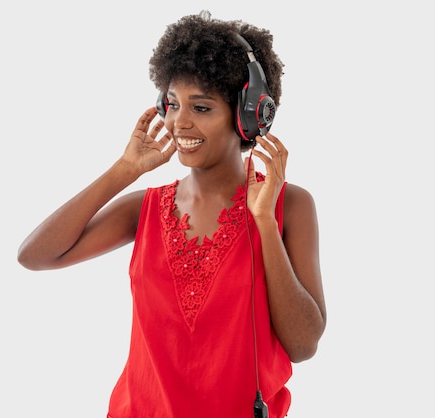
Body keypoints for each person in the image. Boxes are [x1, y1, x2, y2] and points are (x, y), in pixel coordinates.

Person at [17, 10, 326, 418]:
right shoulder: (143, 208)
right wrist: (124, 171)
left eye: (200, 108)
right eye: (172, 103)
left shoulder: (291, 206)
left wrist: (264, 223)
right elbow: (35, 256)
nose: (178, 121)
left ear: (249, 116)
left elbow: (303, 345)